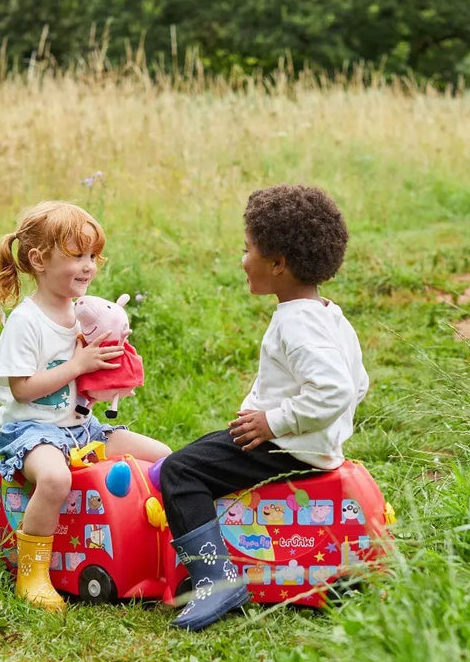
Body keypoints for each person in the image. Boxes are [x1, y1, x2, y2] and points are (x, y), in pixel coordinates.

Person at [158, 184, 369, 631]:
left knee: (180, 471)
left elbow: (334, 389)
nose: (242, 259)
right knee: (204, 451)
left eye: (247, 249)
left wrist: (276, 422)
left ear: (278, 264)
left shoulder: (297, 322)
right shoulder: (328, 312)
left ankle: (215, 581)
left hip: (287, 448)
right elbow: (358, 383)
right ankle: (219, 556)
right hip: (306, 443)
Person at [0, 200, 171, 612]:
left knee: (161, 457)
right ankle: (32, 573)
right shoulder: (27, 321)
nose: (89, 266)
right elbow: (22, 389)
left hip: (81, 430)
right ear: (38, 260)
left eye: (92, 255)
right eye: (76, 255)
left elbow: (85, 383)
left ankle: (159, 551)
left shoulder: (82, 313)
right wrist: (77, 365)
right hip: (31, 432)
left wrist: (106, 377)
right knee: (54, 479)